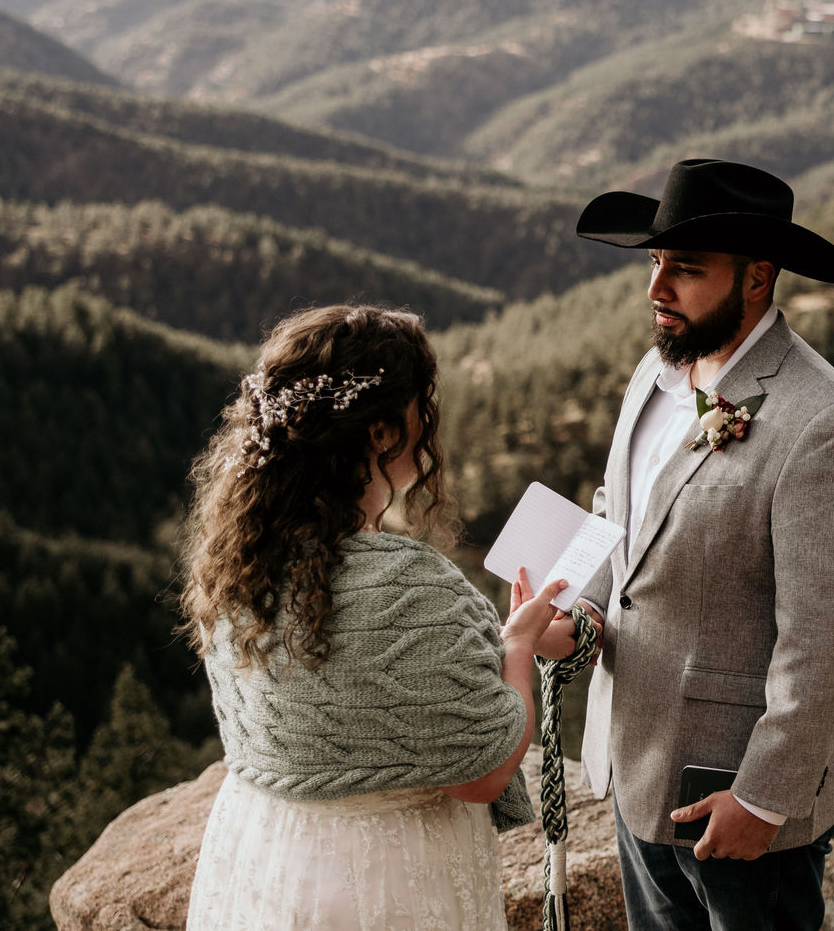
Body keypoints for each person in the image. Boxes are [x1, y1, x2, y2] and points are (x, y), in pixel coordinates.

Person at [568, 158, 834, 931]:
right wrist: (577, 613)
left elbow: (830, 635)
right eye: (655, 264)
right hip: (631, 765)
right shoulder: (653, 374)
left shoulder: (828, 423)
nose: (657, 288)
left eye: (685, 269)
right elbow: (618, 516)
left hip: (737, 795)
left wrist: (763, 796)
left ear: (757, 278)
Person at [179, 304, 581, 931]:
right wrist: (519, 647)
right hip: (389, 874)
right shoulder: (411, 586)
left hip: (264, 857)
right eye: (423, 404)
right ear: (383, 433)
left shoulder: (235, 567)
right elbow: (485, 771)